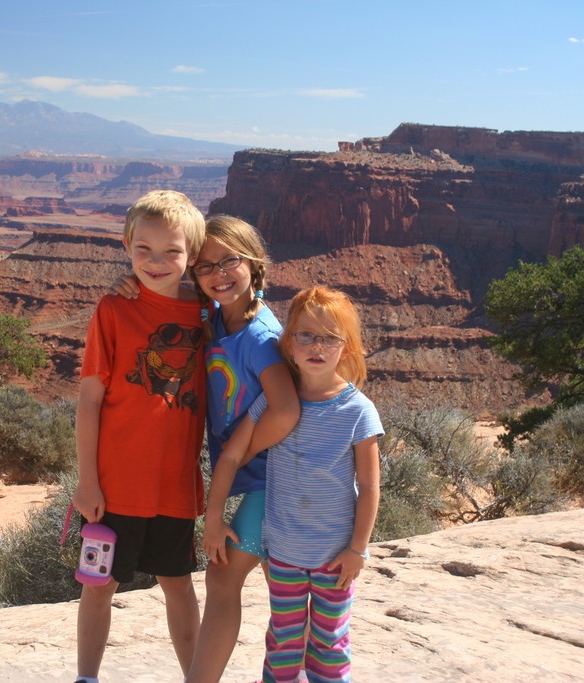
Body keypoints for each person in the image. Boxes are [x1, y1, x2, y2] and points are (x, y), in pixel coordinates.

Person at [110, 214, 300, 683]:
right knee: (232, 582)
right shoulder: (216, 315)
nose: (218, 274)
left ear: (254, 263)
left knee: (223, 579)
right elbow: (168, 291)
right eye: (205, 265)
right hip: (255, 481)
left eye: (229, 261)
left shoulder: (260, 337)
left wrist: (240, 451)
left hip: (274, 485)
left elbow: (287, 410)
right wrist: (130, 281)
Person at [203, 285, 382, 683]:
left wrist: (358, 549)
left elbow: (369, 488)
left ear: (347, 349)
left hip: (335, 557)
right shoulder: (272, 400)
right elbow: (232, 455)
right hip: (283, 551)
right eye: (305, 335)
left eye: (329, 337)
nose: (316, 346)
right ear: (289, 341)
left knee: (329, 644)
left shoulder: (358, 411)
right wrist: (213, 518)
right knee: (282, 640)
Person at [71, 190, 208, 683]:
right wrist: (88, 482)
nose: (156, 261)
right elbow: (89, 399)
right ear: (127, 247)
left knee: (179, 586)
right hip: (115, 485)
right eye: (143, 249)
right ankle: (87, 676)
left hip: (174, 483)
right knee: (98, 584)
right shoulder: (113, 308)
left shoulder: (206, 314)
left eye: (171, 251)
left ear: (191, 255)